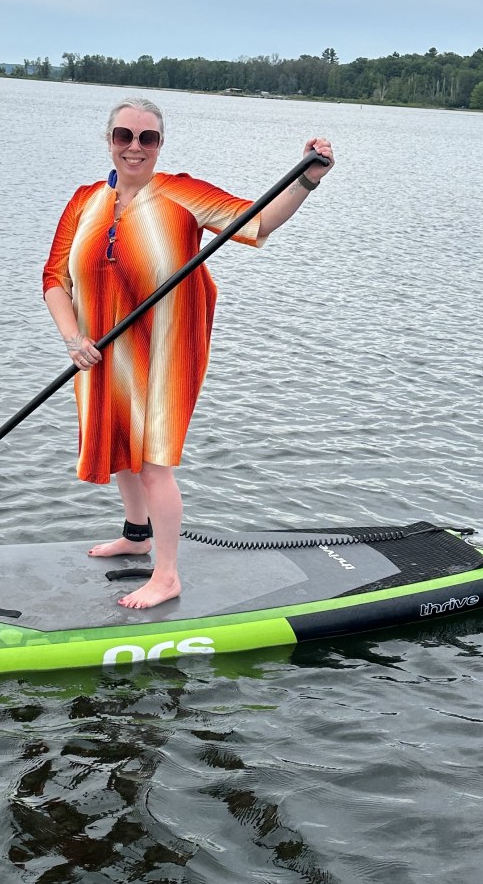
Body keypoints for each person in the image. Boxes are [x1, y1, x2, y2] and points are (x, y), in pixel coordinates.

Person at [42, 99, 335, 609]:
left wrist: (307, 178)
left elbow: (259, 222)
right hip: (98, 352)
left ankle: (168, 575)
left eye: (147, 138)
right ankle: (137, 535)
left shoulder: (181, 193)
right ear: (108, 140)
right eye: (124, 136)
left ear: (159, 145)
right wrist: (73, 340)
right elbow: (54, 279)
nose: (134, 147)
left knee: (153, 461)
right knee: (118, 449)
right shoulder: (84, 199)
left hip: (165, 353)